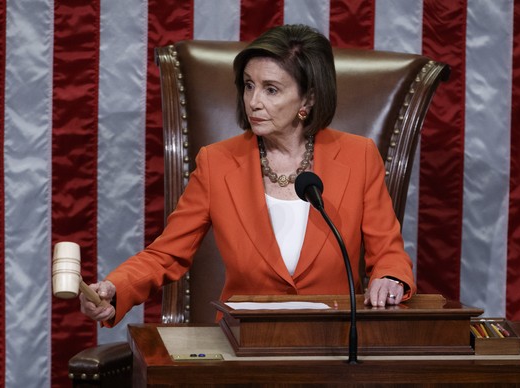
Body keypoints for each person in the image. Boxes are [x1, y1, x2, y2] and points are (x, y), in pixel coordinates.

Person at [80, 24, 416, 326]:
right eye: (248, 86)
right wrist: (115, 288)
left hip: (335, 341)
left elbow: (387, 250)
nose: (253, 101)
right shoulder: (217, 163)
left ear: (308, 98)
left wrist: (389, 278)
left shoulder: (359, 157)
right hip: (245, 344)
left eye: (271, 89)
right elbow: (167, 254)